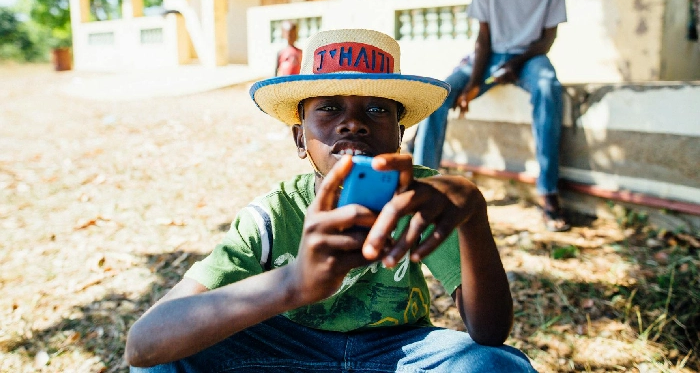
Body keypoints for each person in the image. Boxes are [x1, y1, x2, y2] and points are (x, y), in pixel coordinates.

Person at [125, 29, 537, 372]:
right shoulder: (271, 217)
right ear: (299, 138)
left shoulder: (422, 200)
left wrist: (474, 217)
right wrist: (292, 284)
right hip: (287, 354)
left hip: (397, 352)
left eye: (376, 109)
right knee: (169, 358)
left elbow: (489, 331)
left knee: (498, 365)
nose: (353, 123)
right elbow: (142, 345)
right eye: (329, 108)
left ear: (400, 135)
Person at [412, 0, 570, 232]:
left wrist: (516, 64)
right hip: (489, 56)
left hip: (531, 57)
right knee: (440, 93)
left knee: (548, 87)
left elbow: (547, 39)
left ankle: (549, 192)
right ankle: (422, 182)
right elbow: (483, 39)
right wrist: (473, 85)